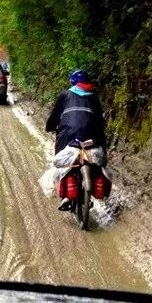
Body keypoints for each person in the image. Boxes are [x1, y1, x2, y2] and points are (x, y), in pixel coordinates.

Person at [45, 70, 107, 210]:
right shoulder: (94, 96)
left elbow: (55, 115)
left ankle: (67, 193)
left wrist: (50, 126)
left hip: (68, 134)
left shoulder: (65, 95)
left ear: (72, 82)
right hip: (92, 135)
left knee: (62, 159)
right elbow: (99, 120)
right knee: (99, 159)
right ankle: (96, 177)